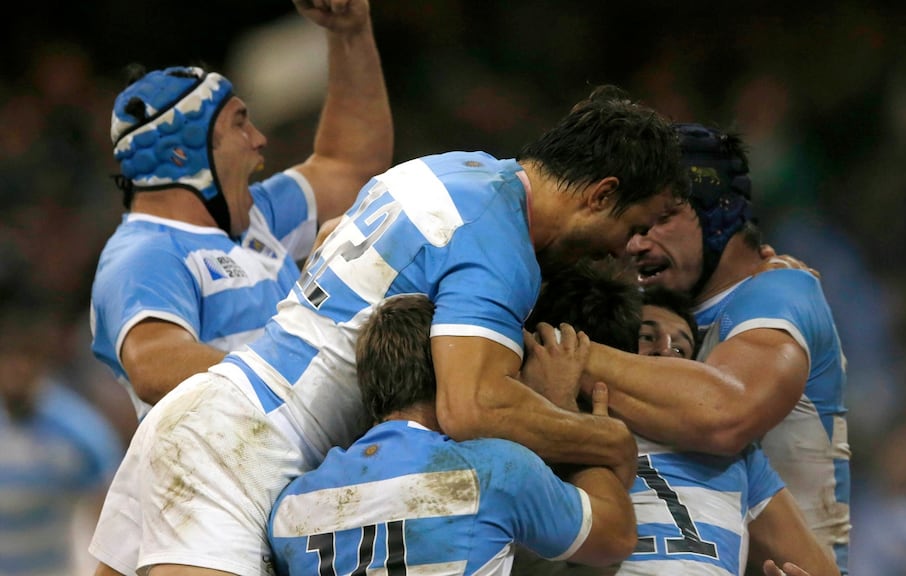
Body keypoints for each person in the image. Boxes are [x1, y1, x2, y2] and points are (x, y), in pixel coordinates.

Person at [89, 82, 686, 576]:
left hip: (211, 411)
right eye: (635, 225)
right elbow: (472, 407)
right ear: (602, 194)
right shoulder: (500, 244)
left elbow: (328, 234)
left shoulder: (453, 171)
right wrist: (604, 439)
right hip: (245, 449)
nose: (624, 249)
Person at [89, 0, 393, 421]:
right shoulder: (144, 252)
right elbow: (153, 364)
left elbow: (351, 165)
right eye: (239, 123)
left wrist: (350, 35)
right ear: (180, 154)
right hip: (224, 483)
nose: (259, 138)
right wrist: (306, 381)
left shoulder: (255, 216)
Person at [584, 123, 851, 573]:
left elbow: (723, 416)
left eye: (662, 218)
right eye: (632, 221)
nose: (636, 241)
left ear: (718, 215)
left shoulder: (777, 293)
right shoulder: (657, 305)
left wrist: (561, 352)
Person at [268, 294, 636, 574]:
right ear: (452, 375)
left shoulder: (289, 506)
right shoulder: (493, 472)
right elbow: (615, 537)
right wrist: (565, 412)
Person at [516, 262, 839, 576]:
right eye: (647, 336)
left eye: (682, 350)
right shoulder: (551, 414)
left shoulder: (735, 455)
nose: (666, 351)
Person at [0, 301, 123, 576]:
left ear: (43, 362)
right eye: (7, 357)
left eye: (27, 357)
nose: (15, 368)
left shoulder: (79, 431)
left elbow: (111, 517)